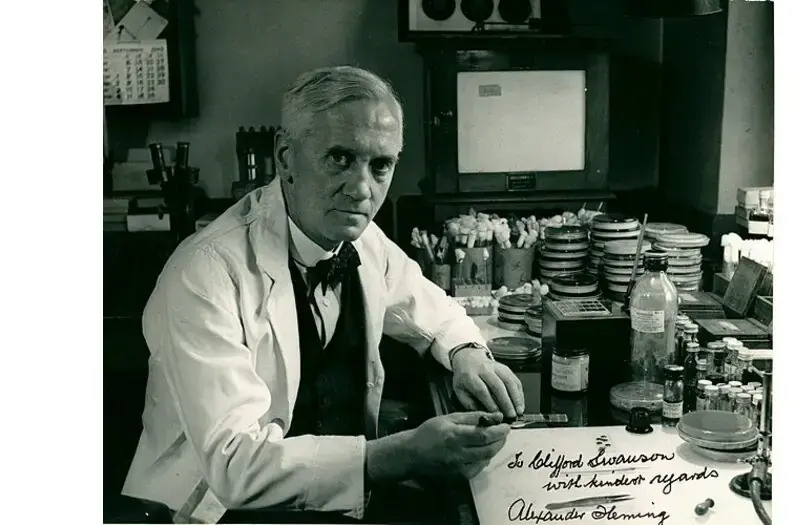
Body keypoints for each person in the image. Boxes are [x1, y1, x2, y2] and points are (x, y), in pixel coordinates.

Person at [122, 66, 526, 524]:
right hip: (220, 509)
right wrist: (403, 453)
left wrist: (469, 354)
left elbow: (431, 308)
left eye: (380, 165)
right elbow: (234, 467)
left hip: (336, 498)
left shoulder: (361, 239)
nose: (361, 189)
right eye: (339, 158)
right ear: (285, 157)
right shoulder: (205, 273)